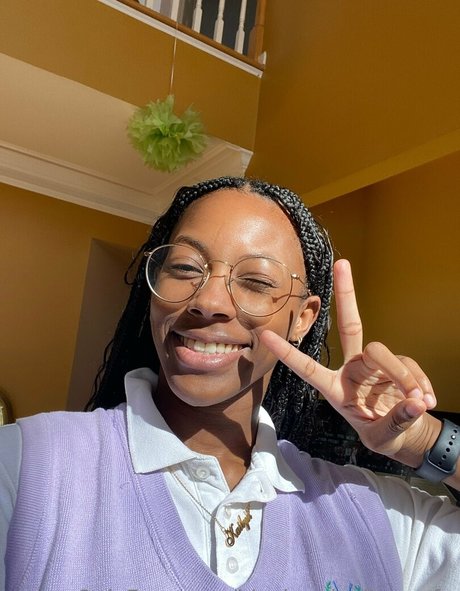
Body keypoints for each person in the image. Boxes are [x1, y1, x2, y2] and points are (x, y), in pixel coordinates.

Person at [1, 176, 459, 590]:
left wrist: (423, 440)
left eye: (256, 280)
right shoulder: (28, 468)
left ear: (302, 318)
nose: (209, 300)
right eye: (185, 267)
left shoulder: (369, 516)